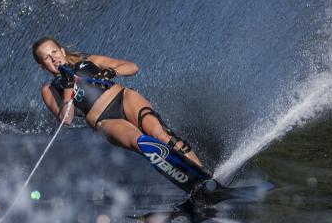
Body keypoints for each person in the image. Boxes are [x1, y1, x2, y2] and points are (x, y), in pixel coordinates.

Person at [31, 36, 211, 186]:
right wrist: (69, 86)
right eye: (47, 57)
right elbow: (66, 119)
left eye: (54, 52)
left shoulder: (89, 61)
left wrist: (111, 72)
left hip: (124, 99)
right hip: (105, 120)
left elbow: (132, 67)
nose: (54, 58)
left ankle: (205, 177)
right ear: (42, 65)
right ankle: (189, 181)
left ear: (62, 50)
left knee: (162, 135)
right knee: (141, 143)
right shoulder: (50, 89)